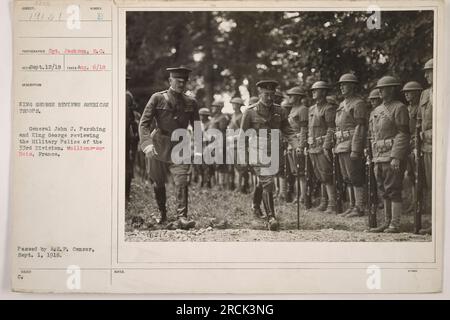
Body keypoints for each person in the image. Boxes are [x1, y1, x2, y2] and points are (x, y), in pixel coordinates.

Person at [139, 66, 199, 229]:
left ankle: (182, 217)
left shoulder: (191, 102)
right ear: (170, 81)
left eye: (184, 81)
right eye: (177, 81)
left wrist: (198, 150)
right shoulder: (157, 98)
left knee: (182, 180)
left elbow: (197, 127)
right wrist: (147, 144)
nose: (181, 84)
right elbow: (144, 123)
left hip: (180, 146)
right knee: (158, 182)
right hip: (158, 144)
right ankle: (162, 213)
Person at [240, 80, 300, 231]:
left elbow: (288, 130)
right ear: (260, 93)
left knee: (264, 181)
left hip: (274, 152)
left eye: (272, 94)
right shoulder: (250, 111)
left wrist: (296, 145)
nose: (269, 97)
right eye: (266, 94)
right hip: (257, 152)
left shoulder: (279, 111)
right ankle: (271, 217)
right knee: (268, 182)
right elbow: (243, 136)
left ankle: (255, 205)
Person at [368, 76, 410, 233]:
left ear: (392, 89)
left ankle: (395, 223)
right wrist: (371, 155)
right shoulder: (376, 111)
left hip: (391, 156)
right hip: (378, 156)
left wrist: (396, 156)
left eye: (383, 88)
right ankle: (386, 221)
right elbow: (372, 135)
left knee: (393, 189)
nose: (380, 91)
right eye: (379, 88)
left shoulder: (399, 108)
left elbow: (403, 133)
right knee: (383, 189)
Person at [335, 73, 368, 218]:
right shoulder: (342, 104)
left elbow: (360, 127)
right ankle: (352, 205)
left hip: (351, 144)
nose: (342, 87)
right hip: (341, 144)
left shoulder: (358, 103)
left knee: (355, 176)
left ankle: (359, 207)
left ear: (353, 86)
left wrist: (356, 148)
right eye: (341, 85)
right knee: (347, 177)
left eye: (345, 84)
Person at [307, 81, 337, 214]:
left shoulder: (328, 108)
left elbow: (331, 128)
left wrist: (327, 146)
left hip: (323, 146)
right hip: (313, 146)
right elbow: (309, 128)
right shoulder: (311, 109)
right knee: (320, 175)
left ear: (324, 92)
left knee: (327, 175)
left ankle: (332, 204)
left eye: (317, 90)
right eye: (313, 90)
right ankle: (324, 201)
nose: (313, 92)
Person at [400, 81, 423, 215]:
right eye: (405, 93)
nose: (407, 95)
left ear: (417, 93)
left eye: (410, 92)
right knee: (409, 174)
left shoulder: (420, 108)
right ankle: (413, 202)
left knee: (418, 174)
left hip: (417, 142)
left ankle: (420, 204)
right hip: (407, 143)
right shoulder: (407, 109)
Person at [417, 58, 433, 235]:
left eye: (430, 71)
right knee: (430, 184)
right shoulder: (425, 94)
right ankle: (432, 222)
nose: (426, 75)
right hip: (427, 146)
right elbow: (420, 121)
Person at [285, 87, 309, 205]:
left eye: (292, 95)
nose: (289, 97)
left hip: (298, 142)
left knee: (301, 171)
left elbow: (304, 128)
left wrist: (301, 145)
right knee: (295, 172)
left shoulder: (303, 109)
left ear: (298, 97)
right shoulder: (292, 110)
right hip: (291, 143)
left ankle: (303, 197)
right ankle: (298, 195)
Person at [228, 97, 250, 193]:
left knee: (242, 167)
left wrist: (235, 137)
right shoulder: (233, 116)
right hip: (232, 144)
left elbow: (244, 131)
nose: (233, 105)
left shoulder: (242, 116)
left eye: (235, 104)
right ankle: (239, 186)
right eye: (232, 103)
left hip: (240, 144)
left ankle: (242, 186)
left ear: (239, 106)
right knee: (236, 166)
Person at [208, 100, 230, 190]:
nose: (213, 108)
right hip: (213, 143)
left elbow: (222, 133)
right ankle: (217, 184)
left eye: (215, 106)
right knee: (215, 163)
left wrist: (220, 145)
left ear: (220, 108)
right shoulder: (214, 118)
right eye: (213, 106)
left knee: (221, 164)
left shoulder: (222, 118)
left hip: (219, 143)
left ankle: (222, 184)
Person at [126, 74, 139, 203]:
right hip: (127, 136)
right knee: (128, 164)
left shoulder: (126, 96)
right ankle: (126, 195)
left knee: (127, 164)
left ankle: (126, 195)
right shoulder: (128, 95)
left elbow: (132, 120)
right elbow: (132, 120)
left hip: (126, 136)